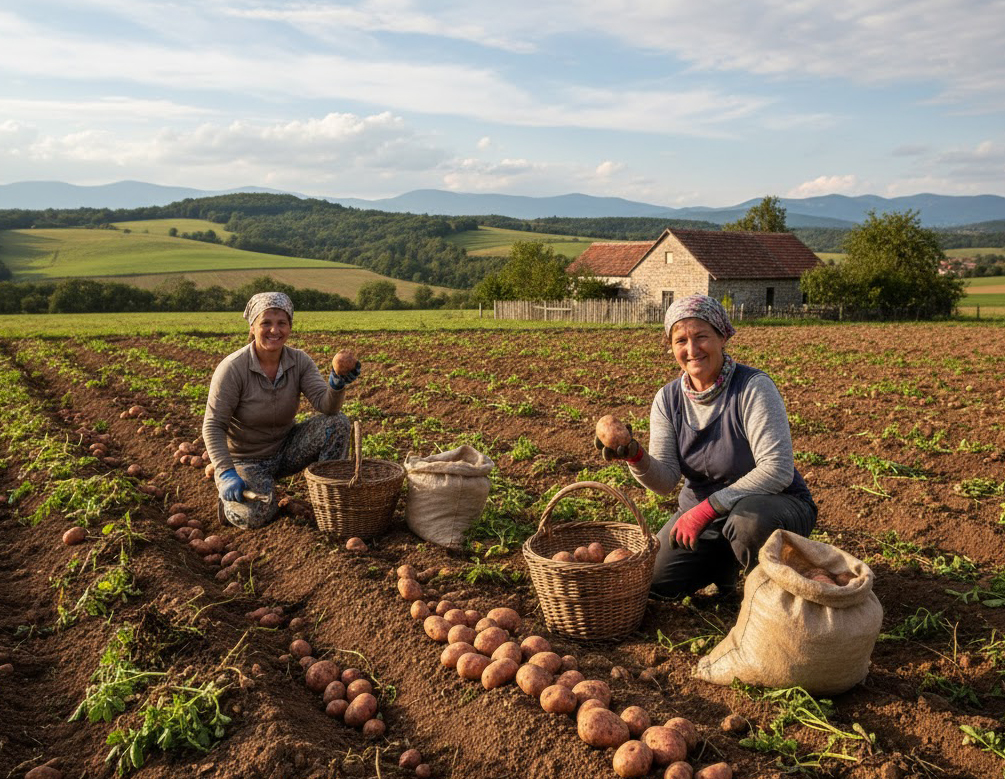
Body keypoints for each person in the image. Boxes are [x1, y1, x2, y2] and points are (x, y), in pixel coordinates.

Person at [595, 293, 816, 599]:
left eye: (701, 337)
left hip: (775, 506)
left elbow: (777, 470)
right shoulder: (668, 400)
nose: (691, 349)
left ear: (722, 336)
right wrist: (636, 455)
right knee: (656, 581)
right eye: (680, 340)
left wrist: (707, 509)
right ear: (671, 347)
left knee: (748, 523)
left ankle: (769, 599)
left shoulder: (752, 388)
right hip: (705, 514)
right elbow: (666, 481)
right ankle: (722, 565)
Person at [203, 292, 359, 529]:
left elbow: (326, 406)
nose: (274, 330)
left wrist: (337, 383)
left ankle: (330, 501)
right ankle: (232, 505)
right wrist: (225, 472)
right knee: (255, 515)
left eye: (281, 323)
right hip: (247, 459)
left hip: (286, 449)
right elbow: (213, 426)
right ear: (253, 326)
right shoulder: (233, 369)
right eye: (266, 323)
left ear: (290, 327)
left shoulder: (299, 361)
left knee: (336, 422)